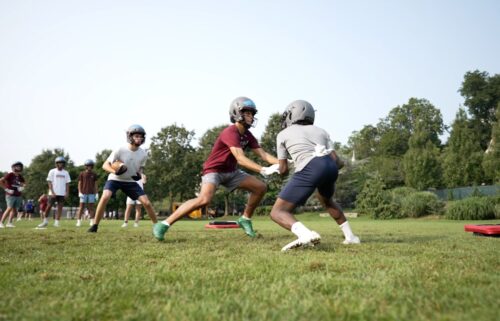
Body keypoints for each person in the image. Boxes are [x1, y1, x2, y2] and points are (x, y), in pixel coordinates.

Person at [153, 96, 280, 241]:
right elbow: (240, 158)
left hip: (231, 171)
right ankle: (163, 224)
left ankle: (245, 219)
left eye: (252, 114)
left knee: (260, 187)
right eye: (247, 113)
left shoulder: (248, 135)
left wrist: (284, 162)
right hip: (214, 170)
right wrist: (263, 170)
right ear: (237, 113)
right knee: (204, 199)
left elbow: (263, 154)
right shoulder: (230, 132)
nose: (251, 117)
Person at [270, 100, 360, 252]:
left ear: (292, 114)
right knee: (327, 200)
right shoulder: (321, 131)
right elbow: (336, 161)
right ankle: (351, 237)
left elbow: (283, 169)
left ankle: (305, 235)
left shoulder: (283, 134)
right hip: (330, 167)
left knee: (277, 212)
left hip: (311, 167)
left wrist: (273, 170)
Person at [88, 124, 158, 233]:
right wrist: (115, 171)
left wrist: (140, 175)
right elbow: (105, 165)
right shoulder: (120, 149)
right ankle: (95, 225)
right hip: (115, 179)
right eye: (136, 136)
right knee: (105, 196)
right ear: (130, 137)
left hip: (130, 181)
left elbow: (139, 169)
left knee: (147, 203)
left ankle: (157, 227)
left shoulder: (143, 154)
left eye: (141, 136)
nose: (139, 138)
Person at [37, 156, 71, 228]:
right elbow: (49, 182)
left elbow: (67, 183)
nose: (60, 164)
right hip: (53, 193)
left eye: (62, 163)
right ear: (56, 164)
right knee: (48, 206)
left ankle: (56, 222)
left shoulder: (66, 173)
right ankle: (45, 221)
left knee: (60, 207)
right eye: (59, 163)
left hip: (62, 193)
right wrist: (52, 192)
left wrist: (67, 192)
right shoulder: (52, 171)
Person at [0, 161, 26, 228]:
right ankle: (1, 223)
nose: (18, 167)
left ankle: (9, 223)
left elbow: (24, 183)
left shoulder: (20, 176)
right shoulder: (10, 174)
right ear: (13, 167)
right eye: (16, 166)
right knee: (9, 208)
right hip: (10, 194)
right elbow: (0, 181)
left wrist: (22, 187)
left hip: (18, 195)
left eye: (19, 166)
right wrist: (6, 189)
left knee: (14, 210)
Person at [75, 159, 98, 227]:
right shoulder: (82, 174)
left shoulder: (94, 174)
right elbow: (79, 183)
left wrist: (96, 193)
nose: (89, 167)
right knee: (81, 207)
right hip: (83, 193)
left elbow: (96, 184)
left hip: (91, 193)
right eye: (88, 166)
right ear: (86, 166)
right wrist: (79, 192)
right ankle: (78, 221)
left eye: (91, 166)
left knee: (91, 207)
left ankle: (92, 221)